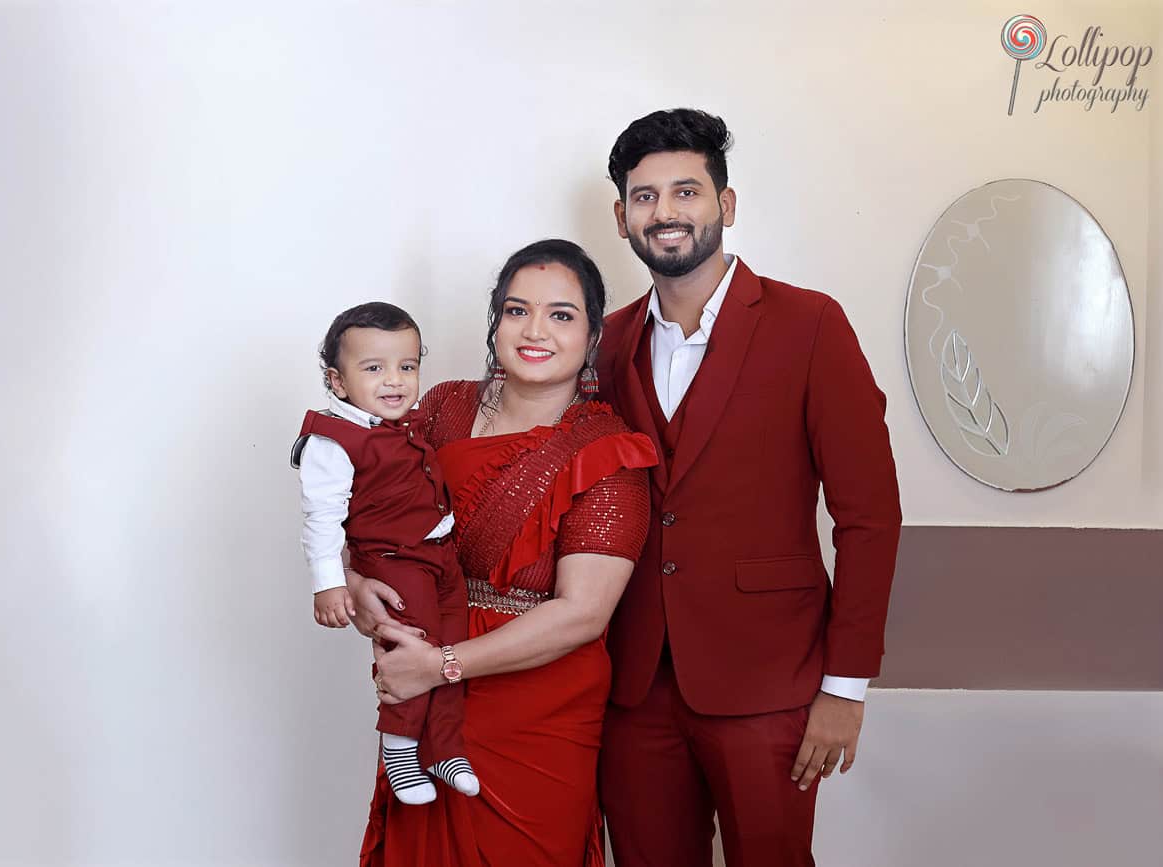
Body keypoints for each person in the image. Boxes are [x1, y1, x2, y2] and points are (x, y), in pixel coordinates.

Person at [596, 108, 902, 867]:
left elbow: (870, 515)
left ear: (725, 206)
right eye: (644, 197)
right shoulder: (607, 342)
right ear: (622, 216)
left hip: (771, 678)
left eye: (685, 191)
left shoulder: (810, 325)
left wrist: (846, 687)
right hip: (632, 683)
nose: (664, 213)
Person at [349, 239, 660, 866]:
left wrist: (441, 665)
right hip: (426, 697)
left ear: (593, 334)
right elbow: (368, 518)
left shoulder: (608, 450)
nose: (535, 330)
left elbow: (583, 614)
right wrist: (357, 585)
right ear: (495, 323)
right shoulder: (439, 410)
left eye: (562, 315)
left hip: (538, 709)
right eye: (517, 310)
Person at [292, 302, 478, 805]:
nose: (394, 381)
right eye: (373, 369)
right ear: (337, 380)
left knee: (450, 648)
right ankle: (399, 745)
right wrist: (330, 583)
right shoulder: (333, 441)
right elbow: (323, 518)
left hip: (439, 557)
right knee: (411, 645)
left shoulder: (402, 422)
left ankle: (443, 746)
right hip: (393, 562)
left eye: (407, 366)